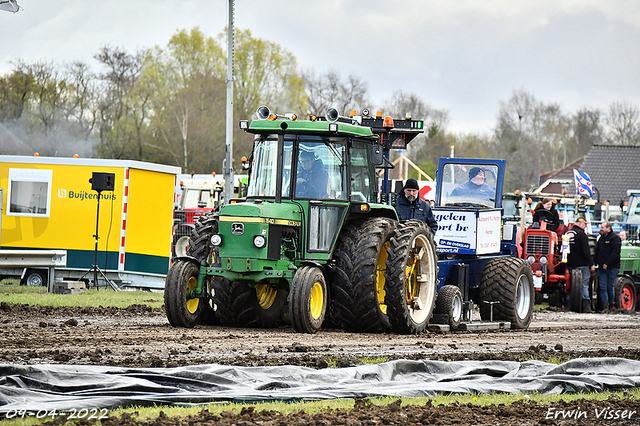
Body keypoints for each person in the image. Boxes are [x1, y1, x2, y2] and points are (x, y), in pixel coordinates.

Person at [565, 217, 594, 313]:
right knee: (584, 285)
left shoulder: (567, 234)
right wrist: (591, 264)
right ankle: (586, 306)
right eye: (585, 224)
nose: (585, 226)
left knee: (570, 285)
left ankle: (569, 304)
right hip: (581, 264)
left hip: (569, 264)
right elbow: (586, 251)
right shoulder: (582, 235)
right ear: (580, 224)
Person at [594, 221, 622, 313]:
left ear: (608, 228)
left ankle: (611, 305)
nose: (601, 229)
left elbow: (615, 253)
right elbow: (597, 252)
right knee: (602, 287)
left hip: (612, 267)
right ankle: (604, 307)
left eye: (602, 227)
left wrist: (607, 263)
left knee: (610, 286)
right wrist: (594, 263)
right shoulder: (601, 239)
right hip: (602, 267)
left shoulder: (615, 238)